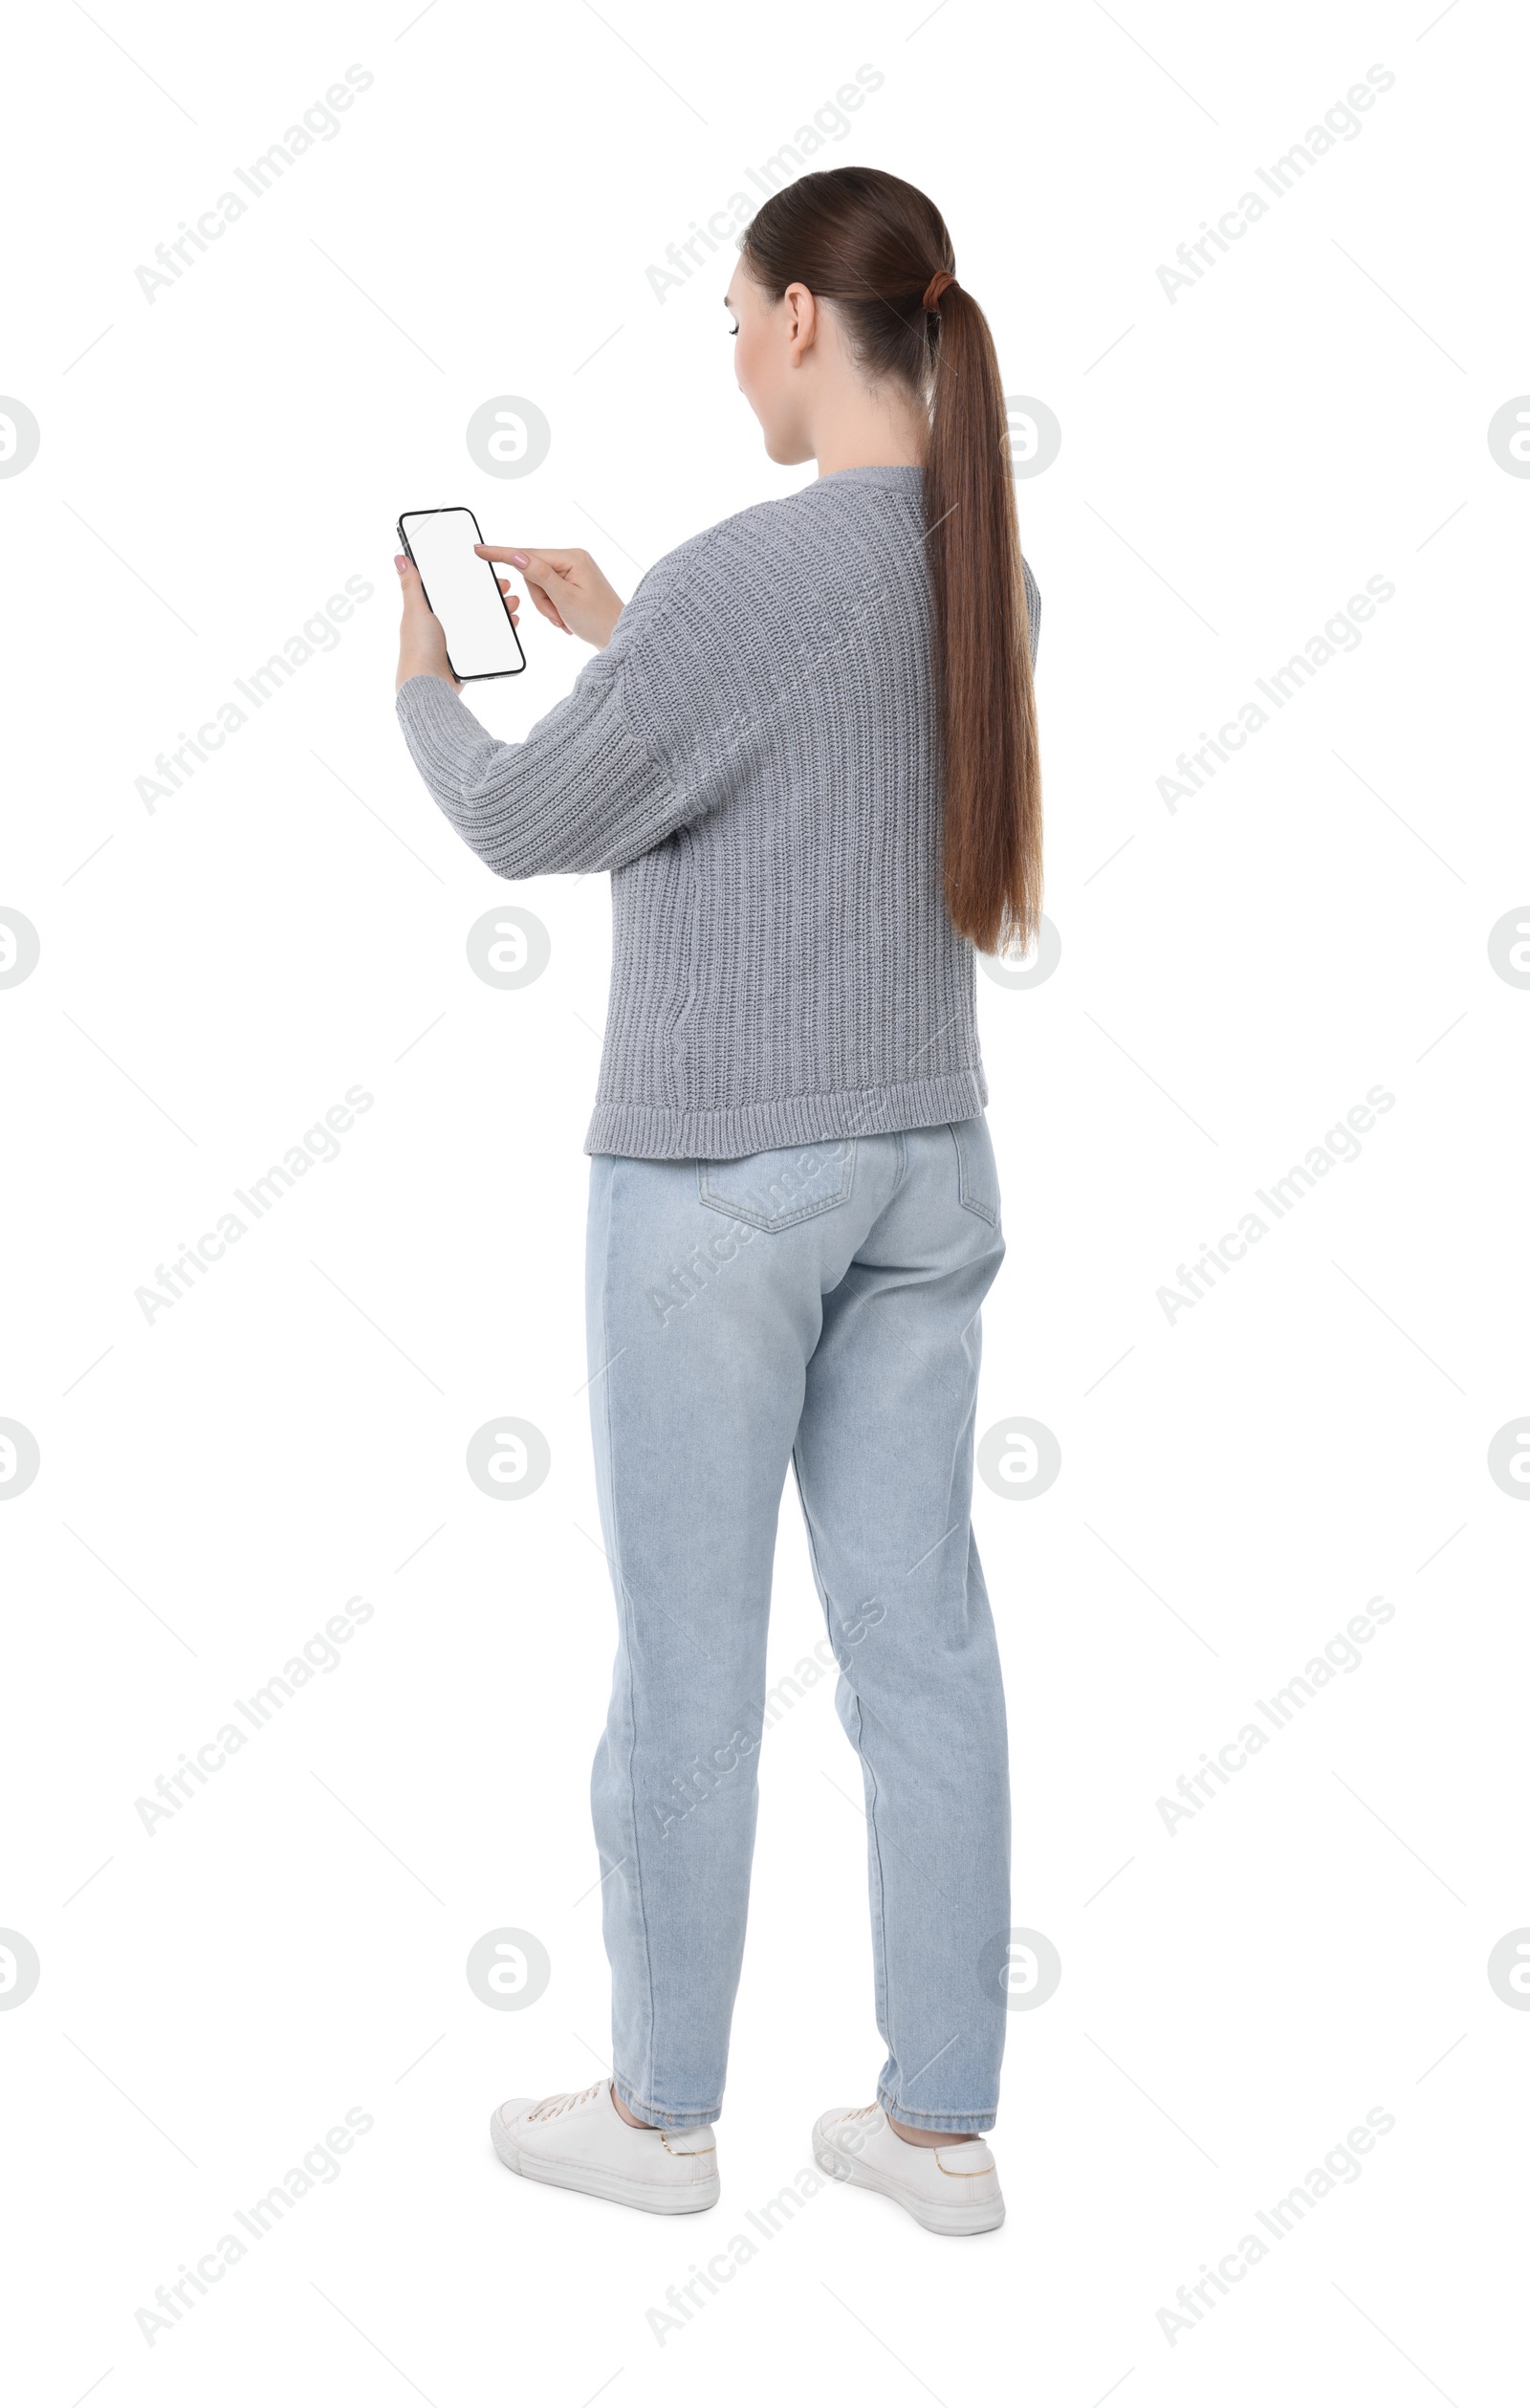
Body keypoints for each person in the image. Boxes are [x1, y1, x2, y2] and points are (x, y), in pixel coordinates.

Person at [392, 164, 1041, 2238]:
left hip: (715, 1190)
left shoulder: (735, 580)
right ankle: (937, 2128)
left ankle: (659, 2115)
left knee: (688, 1657)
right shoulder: (985, 566)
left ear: (786, 324)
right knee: (918, 1641)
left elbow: (517, 816)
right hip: (923, 1166)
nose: (729, 348)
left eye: (730, 312)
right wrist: (626, 629)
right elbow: (807, 732)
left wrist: (425, 673)